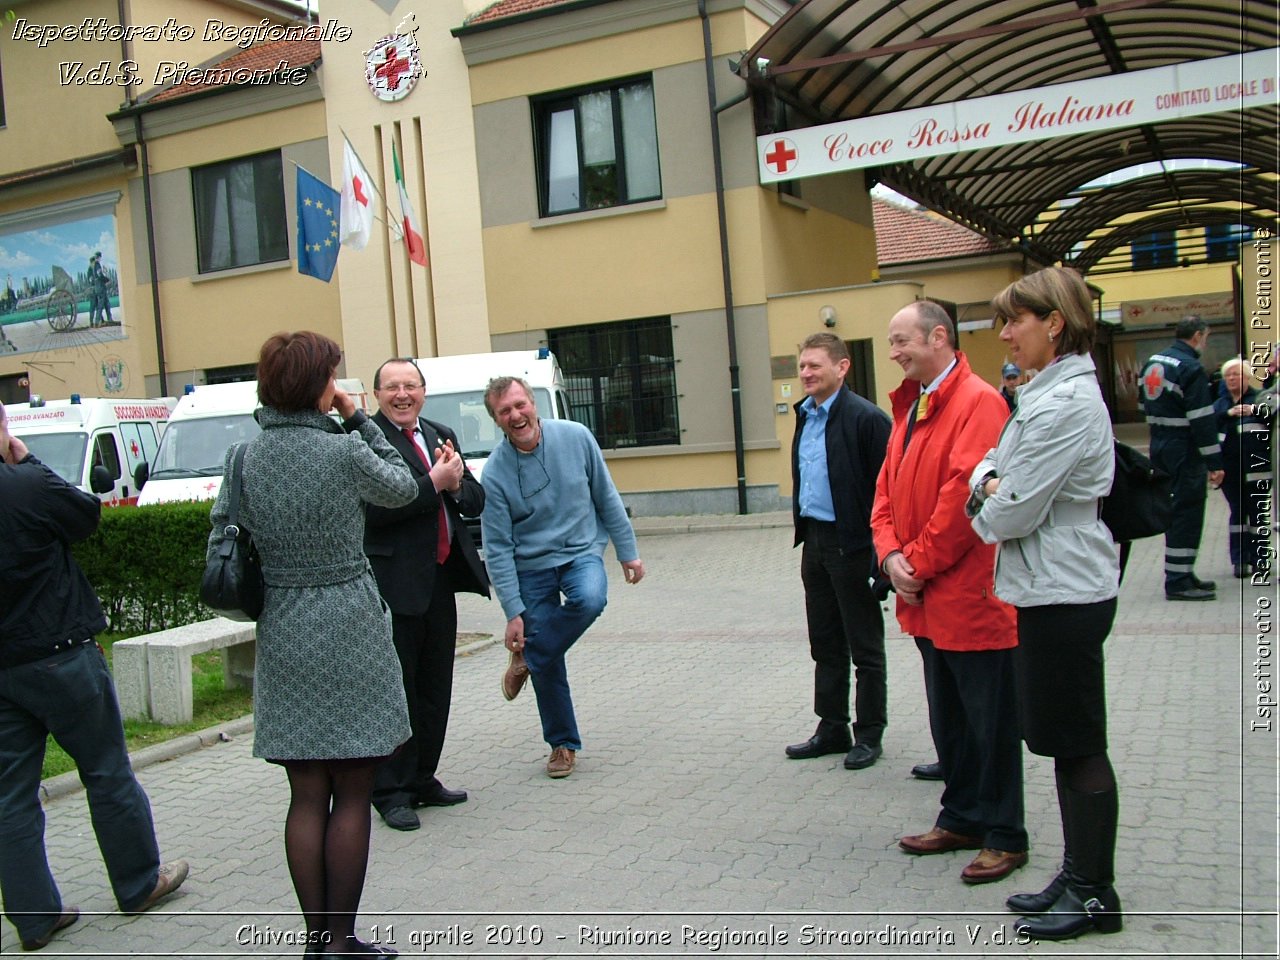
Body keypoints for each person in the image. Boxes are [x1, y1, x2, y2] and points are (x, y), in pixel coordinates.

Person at [207, 331, 417, 957]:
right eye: (332, 377)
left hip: (286, 624)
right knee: (353, 791)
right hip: (350, 618)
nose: (339, 386)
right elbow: (404, 488)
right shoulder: (343, 451)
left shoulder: (244, 458)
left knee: (306, 793)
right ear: (316, 385)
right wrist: (361, 420)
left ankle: (313, 943)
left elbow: (225, 530)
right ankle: (341, 940)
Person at [968, 266, 1123, 940]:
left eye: (1015, 321)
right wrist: (992, 483)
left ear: (1054, 322)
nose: (1005, 335)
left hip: (1065, 587)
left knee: (1079, 742)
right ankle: (1077, 873)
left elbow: (1008, 511)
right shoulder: (1043, 394)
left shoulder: (1062, 404)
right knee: (1062, 741)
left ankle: (1094, 892)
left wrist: (990, 488)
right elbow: (988, 469)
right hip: (1049, 584)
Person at [0, 401, 187, 952]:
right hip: (60, 653)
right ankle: (138, 883)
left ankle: (34, 918)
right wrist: (28, 460)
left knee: (10, 796)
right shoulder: (22, 485)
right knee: (106, 771)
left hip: (3, 668)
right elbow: (85, 515)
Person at [870, 300, 1026, 885]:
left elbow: (966, 497)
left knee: (990, 722)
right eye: (891, 341)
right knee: (951, 718)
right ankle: (962, 816)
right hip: (926, 594)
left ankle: (1006, 833)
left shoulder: (978, 401)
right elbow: (884, 490)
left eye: (901, 340)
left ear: (939, 337)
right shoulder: (911, 407)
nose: (894, 352)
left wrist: (917, 563)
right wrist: (890, 555)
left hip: (968, 595)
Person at [480, 376, 644, 779]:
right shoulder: (495, 474)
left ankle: (528, 660)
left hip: (580, 552)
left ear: (534, 404)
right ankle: (562, 744)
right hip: (530, 567)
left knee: (590, 598)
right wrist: (513, 611)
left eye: (520, 405)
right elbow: (497, 548)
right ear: (497, 421)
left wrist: (628, 553)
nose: (516, 415)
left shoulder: (576, 437)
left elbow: (605, 496)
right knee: (548, 652)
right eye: (505, 411)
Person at [365, 358, 490, 832]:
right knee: (400, 692)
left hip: (440, 579)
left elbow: (474, 500)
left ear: (423, 390)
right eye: (392, 387)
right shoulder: (364, 439)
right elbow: (373, 511)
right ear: (376, 395)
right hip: (393, 586)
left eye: (410, 386)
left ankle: (423, 778)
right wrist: (431, 485)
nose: (402, 395)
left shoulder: (439, 433)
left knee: (436, 687)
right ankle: (390, 791)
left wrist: (455, 486)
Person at [785, 333, 891, 770]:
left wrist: (883, 555)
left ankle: (868, 734)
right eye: (803, 366)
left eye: (815, 366)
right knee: (825, 641)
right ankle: (831, 726)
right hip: (816, 542)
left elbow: (891, 491)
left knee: (864, 645)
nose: (806, 374)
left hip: (855, 544)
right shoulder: (805, 416)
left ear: (842, 367)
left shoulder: (867, 419)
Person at [1139, 316, 1224, 600]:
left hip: (1160, 444)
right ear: (1198, 336)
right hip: (1184, 449)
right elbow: (1202, 419)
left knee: (1174, 507)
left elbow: (1143, 403)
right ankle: (1178, 580)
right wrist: (1214, 462)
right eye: (1206, 337)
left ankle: (1184, 572)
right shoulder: (1191, 368)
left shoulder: (1153, 362)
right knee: (1187, 511)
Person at [1214, 357, 1271, 578]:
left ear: (1247, 377)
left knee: (1258, 515)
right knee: (1237, 514)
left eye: (1236, 374)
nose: (1231, 378)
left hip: (1258, 468)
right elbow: (1209, 425)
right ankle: (1239, 560)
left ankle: (1261, 560)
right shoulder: (1220, 404)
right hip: (1230, 470)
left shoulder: (1259, 399)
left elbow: (1272, 418)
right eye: (1228, 375)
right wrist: (1228, 414)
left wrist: (1255, 411)